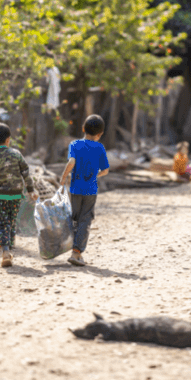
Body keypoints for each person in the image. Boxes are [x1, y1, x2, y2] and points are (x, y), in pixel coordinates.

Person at [61, 114, 110, 267]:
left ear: (83, 128)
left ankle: (65, 246)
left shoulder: (74, 144)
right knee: (85, 219)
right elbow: (106, 170)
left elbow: (71, 162)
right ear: (100, 134)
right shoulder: (100, 147)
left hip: (75, 189)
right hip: (90, 191)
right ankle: (76, 252)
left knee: (73, 217)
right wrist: (96, 174)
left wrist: (63, 178)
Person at [0, 122, 33, 268]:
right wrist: (30, 190)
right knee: (11, 221)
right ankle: (10, 247)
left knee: (3, 222)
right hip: (16, 195)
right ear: (8, 139)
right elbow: (26, 173)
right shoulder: (16, 154)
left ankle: (5, 251)